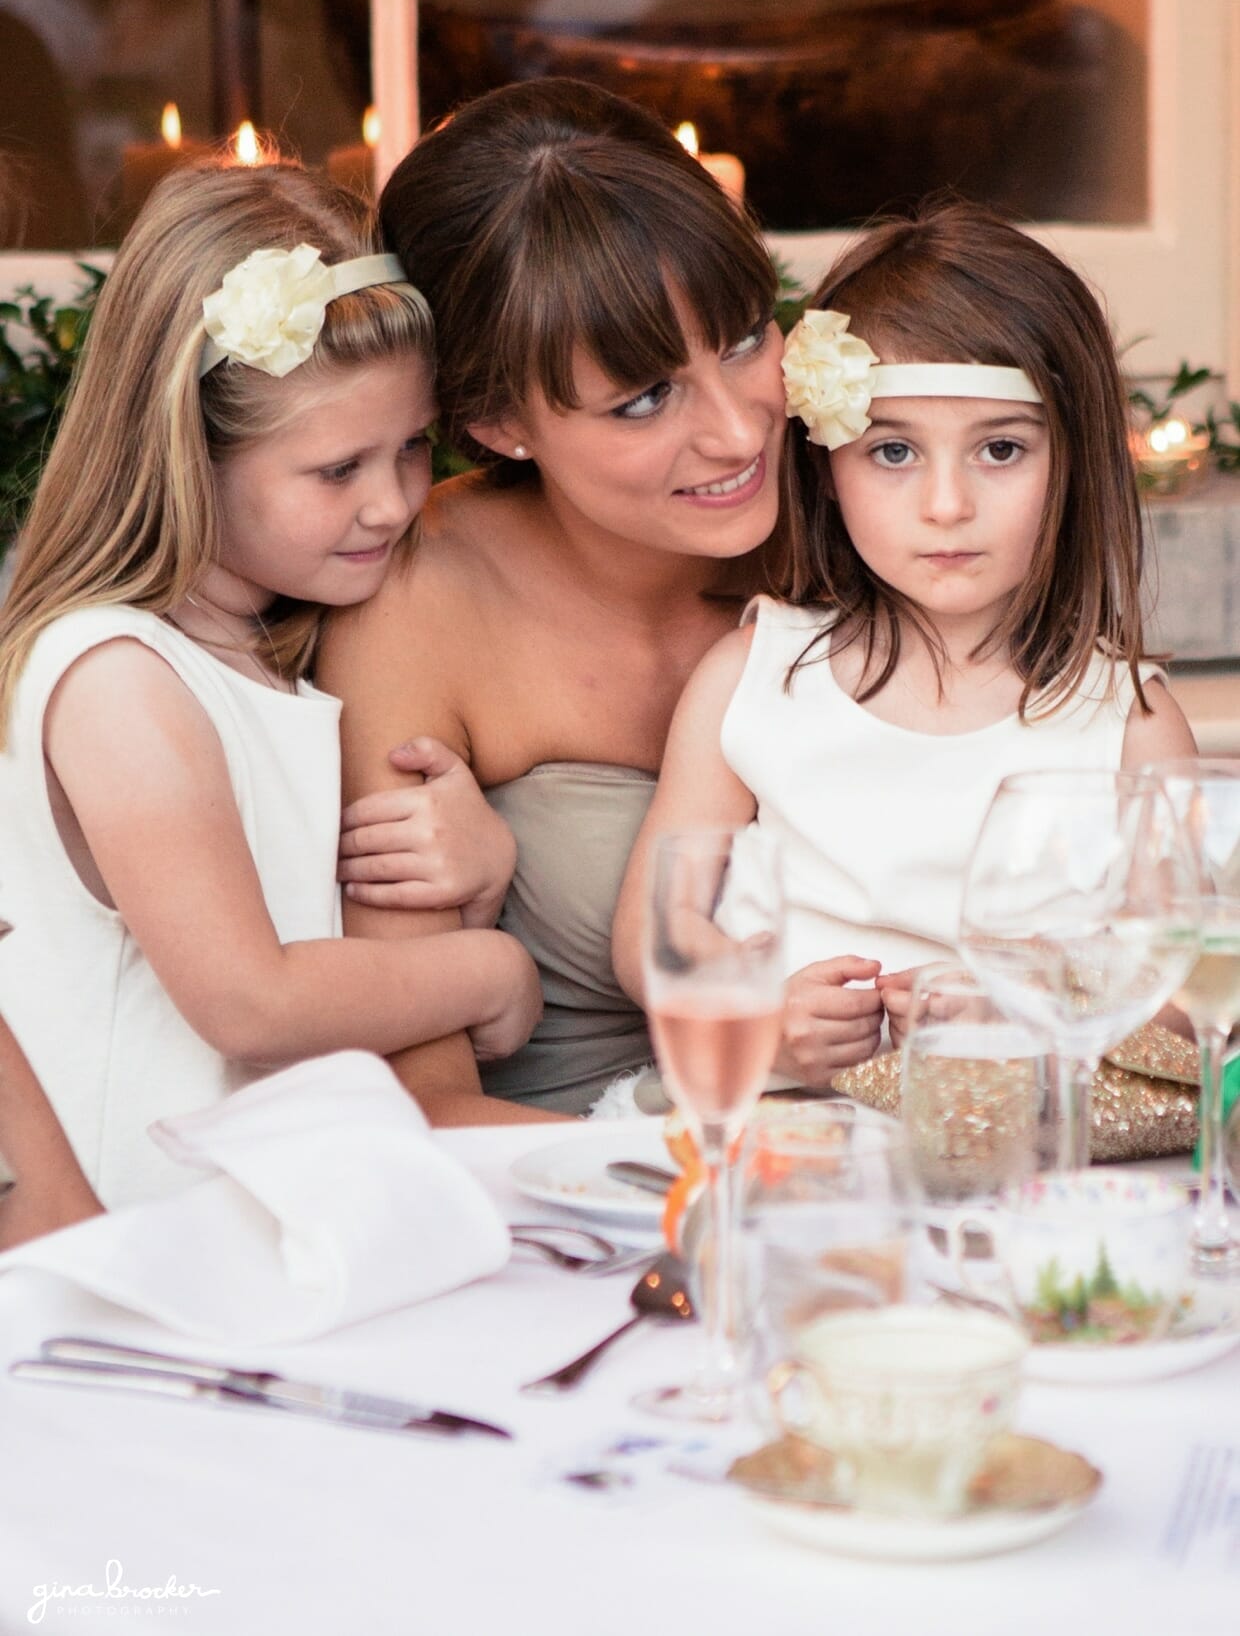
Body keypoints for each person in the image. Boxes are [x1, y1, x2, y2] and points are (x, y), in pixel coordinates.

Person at [318, 79, 889, 1122]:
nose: (737, 430)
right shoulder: (420, 602)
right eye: (643, 398)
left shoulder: (873, 516)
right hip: (574, 1198)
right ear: (496, 422)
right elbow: (422, 1106)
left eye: (742, 338)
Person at [0, 163, 540, 1207]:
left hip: (279, 1209)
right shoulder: (120, 676)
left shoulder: (277, 652)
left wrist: (477, 867)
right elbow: (249, 998)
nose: (390, 505)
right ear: (187, 455)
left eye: (412, 452)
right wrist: (493, 970)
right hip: (137, 1239)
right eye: (337, 470)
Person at [612, 201, 1198, 1051]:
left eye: (1000, 450)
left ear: (1074, 459)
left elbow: (1186, 990)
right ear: (826, 466)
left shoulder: (1128, 723)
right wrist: (757, 1021)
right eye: (894, 453)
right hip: (788, 1136)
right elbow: (654, 934)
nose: (947, 506)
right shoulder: (754, 677)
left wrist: (1031, 1008)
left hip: (1020, 1150)